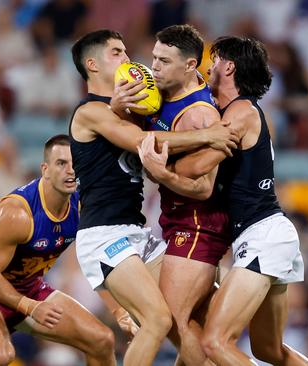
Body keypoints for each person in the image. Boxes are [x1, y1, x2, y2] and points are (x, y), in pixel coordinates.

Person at [69, 29, 238, 366]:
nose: (128, 59)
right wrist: (208, 134)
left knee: (191, 321)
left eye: (126, 50)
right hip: (104, 234)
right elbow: (144, 142)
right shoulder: (89, 112)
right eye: (117, 52)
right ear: (93, 64)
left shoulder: (129, 108)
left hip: (135, 232)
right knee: (159, 320)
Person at [195, 36, 308, 366]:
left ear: (228, 66)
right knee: (268, 351)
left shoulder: (240, 112)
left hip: (262, 235)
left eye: (213, 60)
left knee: (215, 342)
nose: (207, 66)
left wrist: (155, 150)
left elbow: (201, 167)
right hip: (267, 234)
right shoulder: (240, 111)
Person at [0, 135, 118, 366]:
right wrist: (30, 307)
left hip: (27, 286)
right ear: (45, 169)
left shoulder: (82, 207)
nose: (70, 171)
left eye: (75, 164)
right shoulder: (17, 213)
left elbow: (96, 260)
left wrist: (119, 311)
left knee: (102, 340)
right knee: (0, 354)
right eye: (61, 163)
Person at [138, 24, 231, 365]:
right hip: (178, 219)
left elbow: (204, 188)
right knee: (199, 329)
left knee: (172, 320)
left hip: (198, 223)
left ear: (191, 66)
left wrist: (159, 171)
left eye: (164, 61)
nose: (155, 67)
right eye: (154, 58)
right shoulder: (158, 94)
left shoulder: (200, 115)